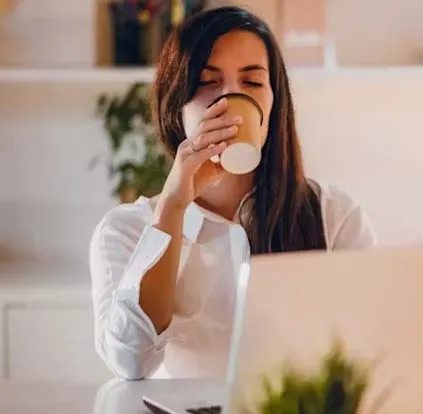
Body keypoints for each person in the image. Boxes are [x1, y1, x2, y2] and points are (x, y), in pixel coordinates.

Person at [89, 6, 376, 381]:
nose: (230, 100)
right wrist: (174, 207)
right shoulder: (125, 230)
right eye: (208, 82)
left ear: (274, 105)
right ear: (177, 108)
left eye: (252, 83)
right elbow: (131, 363)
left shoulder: (334, 215)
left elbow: (370, 347)